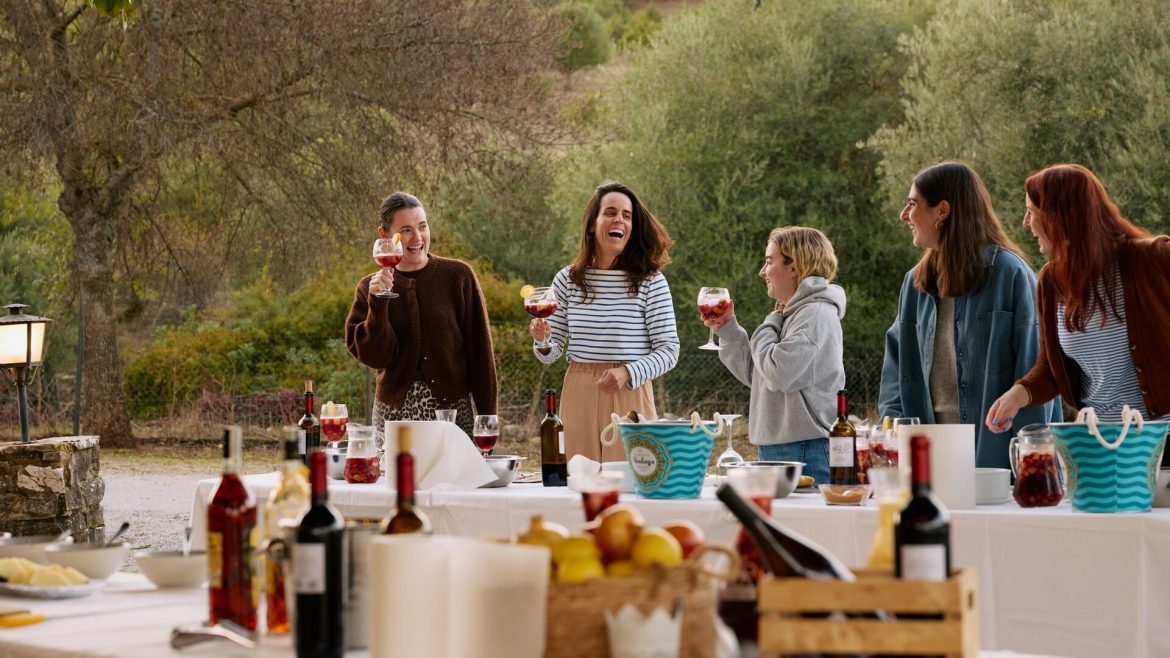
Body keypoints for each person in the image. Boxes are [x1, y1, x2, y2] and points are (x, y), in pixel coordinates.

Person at [879, 161, 1060, 470]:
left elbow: (1036, 374)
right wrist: (894, 436)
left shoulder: (1011, 275)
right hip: (929, 460)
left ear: (942, 211)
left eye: (913, 204)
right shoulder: (914, 285)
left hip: (998, 461)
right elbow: (896, 374)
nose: (904, 215)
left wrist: (1031, 465)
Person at [987, 164, 1170, 432]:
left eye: (1031, 212)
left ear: (1059, 217)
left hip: (1161, 440)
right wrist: (1017, 395)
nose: (1025, 223)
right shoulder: (1051, 281)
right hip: (1097, 443)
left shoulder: (1153, 258)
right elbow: (1051, 368)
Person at [529, 181, 679, 462]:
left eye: (626, 214)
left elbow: (670, 350)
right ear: (592, 224)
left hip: (630, 392)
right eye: (610, 212)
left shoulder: (651, 282)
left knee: (632, 485)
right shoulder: (567, 280)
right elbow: (551, 353)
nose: (619, 219)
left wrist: (627, 373)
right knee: (579, 484)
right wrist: (543, 339)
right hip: (579, 392)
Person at [346, 191, 497, 439]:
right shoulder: (368, 289)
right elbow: (376, 357)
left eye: (422, 226)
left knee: (454, 478)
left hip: (452, 415)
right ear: (384, 235)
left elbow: (481, 355)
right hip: (393, 417)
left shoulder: (458, 276)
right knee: (395, 479)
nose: (417, 237)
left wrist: (488, 420)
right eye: (406, 230)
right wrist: (378, 303)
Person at [702, 226, 845, 485]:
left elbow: (777, 373)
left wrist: (769, 323)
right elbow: (759, 375)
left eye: (769, 262)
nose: (762, 271)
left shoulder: (813, 315)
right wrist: (728, 329)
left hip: (804, 450)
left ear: (794, 267)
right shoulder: (791, 313)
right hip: (785, 446)